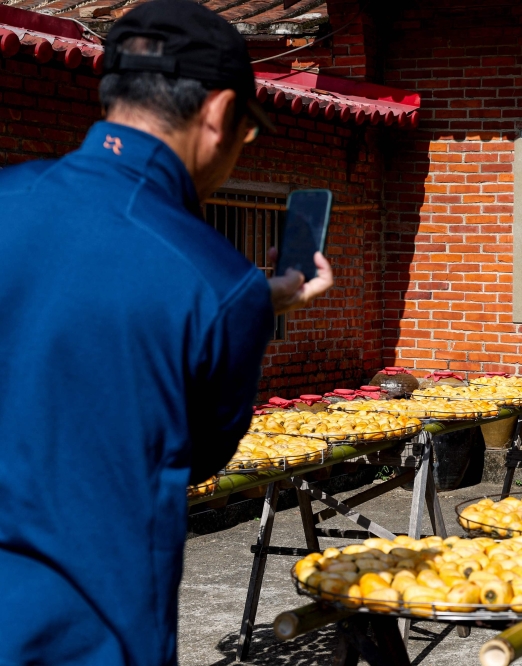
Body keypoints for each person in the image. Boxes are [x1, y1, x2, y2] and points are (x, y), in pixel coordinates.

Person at [0, 1, 333, 663]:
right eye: (247, 134)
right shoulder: (217, 281)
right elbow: (198, 456)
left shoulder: (10, 194)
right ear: (218, 114)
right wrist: (249, 306)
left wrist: (251, 301)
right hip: (84, 632)